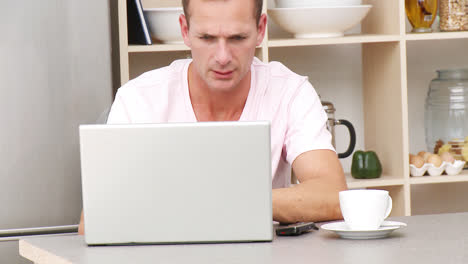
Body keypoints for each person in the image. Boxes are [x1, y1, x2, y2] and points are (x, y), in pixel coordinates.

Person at [78, 0, 347, 235]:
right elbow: (91, 221)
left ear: (261, 30)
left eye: (237, 38)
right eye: (207, 38)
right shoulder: (139, 99)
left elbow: (333, 195)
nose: (222, 57)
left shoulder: (290, 92)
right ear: (185, 30)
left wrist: (225, 201)